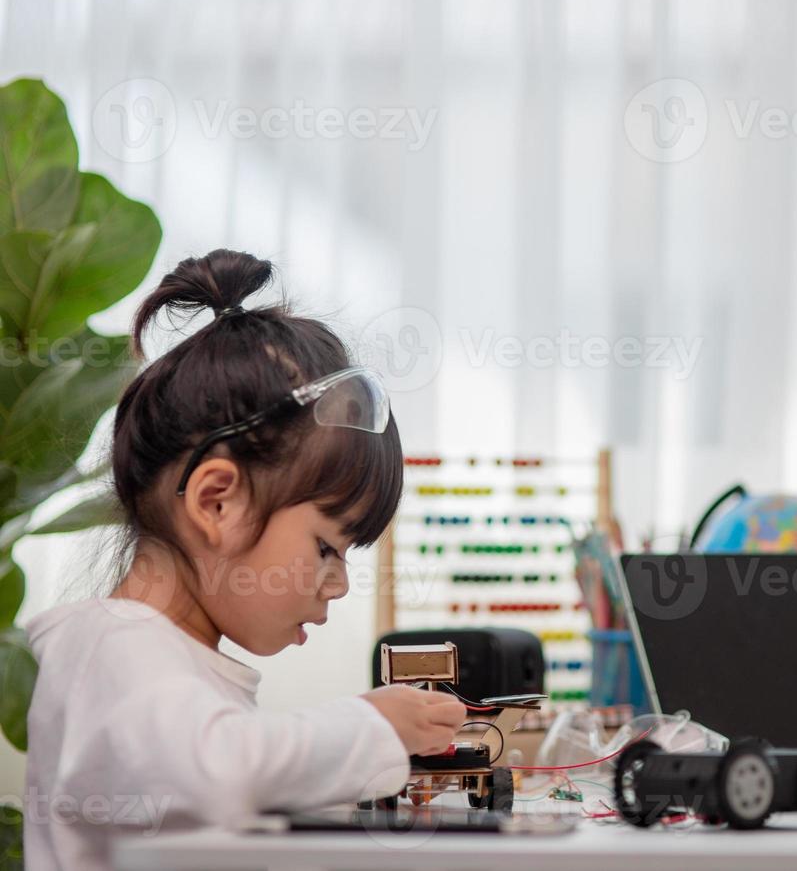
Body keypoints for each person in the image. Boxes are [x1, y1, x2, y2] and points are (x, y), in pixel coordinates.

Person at [24, 249, 466, 870]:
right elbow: (215, 774)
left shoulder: (166, 658)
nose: (337, 585)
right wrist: (373, 726)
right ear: (217, 502)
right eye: (326, 548)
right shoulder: (110, 645)